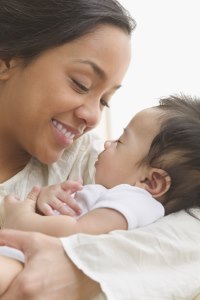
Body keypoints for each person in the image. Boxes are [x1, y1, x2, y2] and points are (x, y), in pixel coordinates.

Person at [0, 0, 199, 299]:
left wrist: (84, 270)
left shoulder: (88, 165)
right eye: (81, 84)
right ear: (7, 59)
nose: (93, 117)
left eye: (105, 101)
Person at [1, 95, 200, 298]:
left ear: (151, 182)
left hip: (28, 266)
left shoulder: (136, 201)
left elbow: (75, 232)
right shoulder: (112, 195)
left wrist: (21, 220)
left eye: (120, 142)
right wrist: (49, 197)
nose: (107, 143)